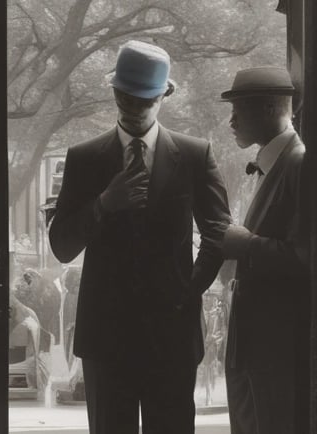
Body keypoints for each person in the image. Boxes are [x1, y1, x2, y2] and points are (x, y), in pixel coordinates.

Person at [48, 40, 230, 434]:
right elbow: (61, 245)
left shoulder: (195, 155)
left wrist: (187, 291)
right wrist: (103, 204)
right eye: (124, 99)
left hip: (173, 336)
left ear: (165, 94)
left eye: (142, 102)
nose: (131, 109)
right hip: (105, 338)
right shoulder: (83, 158)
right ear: (113, 91)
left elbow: (218, 234)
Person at [218, 66, 309, 434]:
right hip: (252, 349)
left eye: (239, 109)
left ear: (272, 108)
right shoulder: (279, 165)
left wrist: (244, 244)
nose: (231, 121)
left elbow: (306, 259)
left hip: (276, 351)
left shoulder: (299, 164)